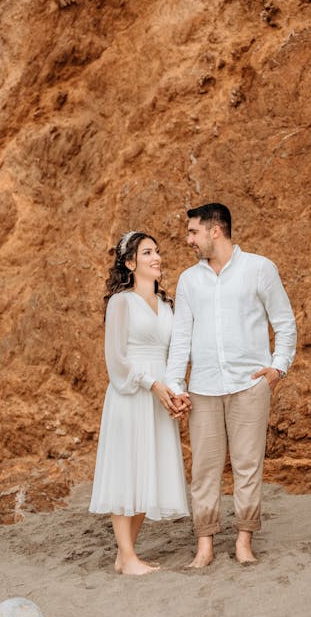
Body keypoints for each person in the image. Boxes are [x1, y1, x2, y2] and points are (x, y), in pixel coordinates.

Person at [165, 203, 296, 567]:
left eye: (193, 232)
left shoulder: (260, 269)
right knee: (204, 469)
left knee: (247, 465)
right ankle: (204, 545)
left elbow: (284, 324)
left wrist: (277, 369)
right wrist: (176, 383)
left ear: (215, 230)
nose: (188, 239)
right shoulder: (190, 279)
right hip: (203, 388)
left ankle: (243, 541)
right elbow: (181, 337)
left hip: (249, 385)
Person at [89, 231, 190, 575]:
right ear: (130, 264)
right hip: (131, 395)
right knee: (126, 471)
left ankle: (125, 554)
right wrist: (152, 383)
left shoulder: (167, 306)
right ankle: (129, 557)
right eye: (147, 253)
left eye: (157, 252)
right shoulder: (121, 303)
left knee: (150, 470)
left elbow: (176, 353)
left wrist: (176, 389)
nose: (156, 257)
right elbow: (115, 359)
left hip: (160, 395)